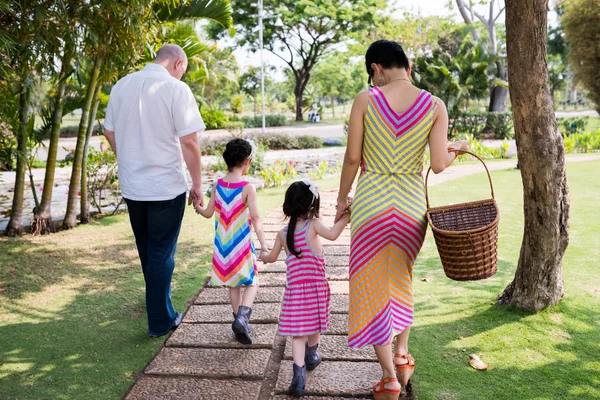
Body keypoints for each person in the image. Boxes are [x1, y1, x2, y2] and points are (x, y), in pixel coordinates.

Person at [335, 40, 469, 400]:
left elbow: (352, 158)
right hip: (411, 207)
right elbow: (439, 164)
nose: (373, 80)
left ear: (377, 68)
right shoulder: (435, 105)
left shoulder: (366, 100)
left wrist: (340, 197)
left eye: (372, 75)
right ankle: (402, 354)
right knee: (400, 280)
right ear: (406, 67)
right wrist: (456, 149)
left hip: (372, 205)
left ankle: (389, 378)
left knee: (370, 289)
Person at [103, 44, 205, 338]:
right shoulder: (176, 89)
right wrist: (197, 184)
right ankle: (161, 320)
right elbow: (189, 142)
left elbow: (109, 131)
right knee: (161, 252)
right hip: (164, 186)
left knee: (148, 249)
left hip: (133, 185)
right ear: (177, 63)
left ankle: (156, 304)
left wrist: (128, 158)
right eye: (183, 70)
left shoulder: (122, 85)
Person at [260, 180, 351, 397]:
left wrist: (264, 256)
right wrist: (348, 216)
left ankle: (298, 377)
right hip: (316, 289)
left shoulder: (283, 233)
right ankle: (312, 355)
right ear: (311, 206)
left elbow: (272, 257)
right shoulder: (315, 225)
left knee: (297, 334)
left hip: (295, 292)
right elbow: (333, 234)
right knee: (315, 323)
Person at [194, 138, 268, 344]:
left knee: (234, 286)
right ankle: (243, 317)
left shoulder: (217, 184)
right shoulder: (247, 187)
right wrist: (264, 244)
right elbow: (256, 218)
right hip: (241, 246)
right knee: (253, 281)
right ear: (247, 161)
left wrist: (197, 207)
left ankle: (238, 324)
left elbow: (208, 213)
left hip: (223, 249)